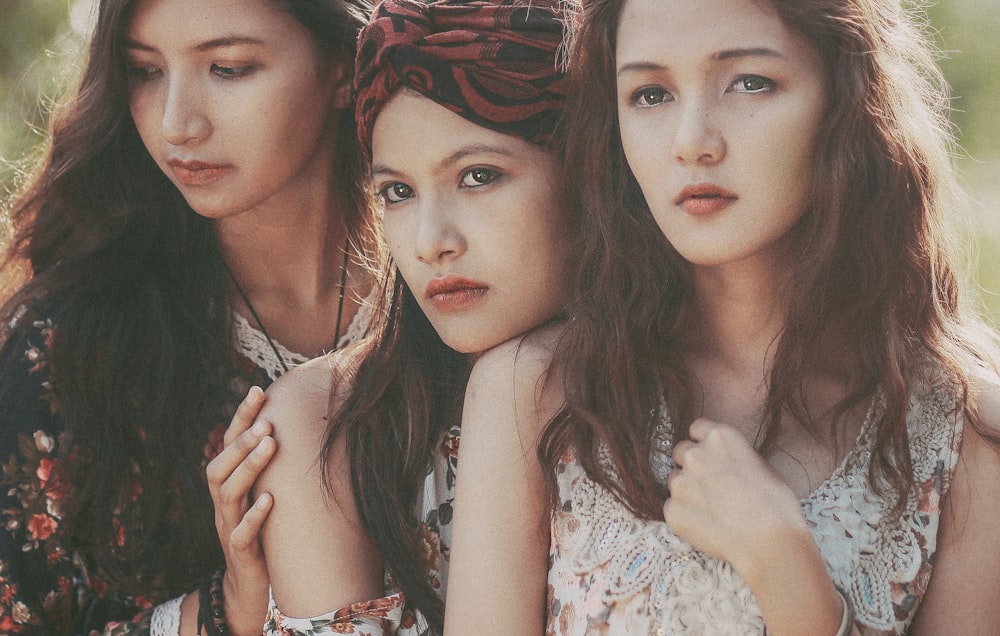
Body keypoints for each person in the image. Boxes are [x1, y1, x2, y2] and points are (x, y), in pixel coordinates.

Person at [523, 0, 1000, 633]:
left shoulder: (964, 428)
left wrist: (784, 566)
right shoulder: (537, 388)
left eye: (750, 82)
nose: (693, 140)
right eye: (650, 94)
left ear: (847, 99)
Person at [0, 0, 376, 633]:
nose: (176, 124)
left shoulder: (452, 295)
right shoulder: (65, 345)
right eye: (144, 71)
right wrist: (226, 609)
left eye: (227, 68)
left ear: (341, 68)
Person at [217, 0, 573, 634]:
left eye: (479, 175)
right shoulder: (321, 430)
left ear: (585, 174)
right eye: (398, 192)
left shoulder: (690, 384)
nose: (430, 240)